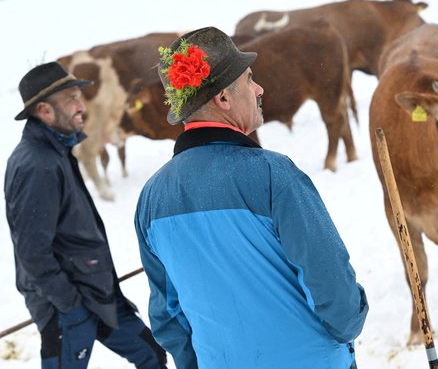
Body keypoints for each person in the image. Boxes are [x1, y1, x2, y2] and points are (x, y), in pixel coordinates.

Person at [134, 26, 369, 369]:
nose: (259, 89)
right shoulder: (274, 175)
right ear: (223, 99)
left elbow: (168, 314)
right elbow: (331, 287)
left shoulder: (151, 200)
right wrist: (349, 323)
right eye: (248, 79)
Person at [4, 62, 168, 369]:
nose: (82, 107)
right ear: (44, 110)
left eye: (79, 96)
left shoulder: (57, 150)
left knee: (151, 354)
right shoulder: (35, 164)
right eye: (71, 100)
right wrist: (69, 303)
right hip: (67, 305)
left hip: (97, 292)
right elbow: (32, 252)